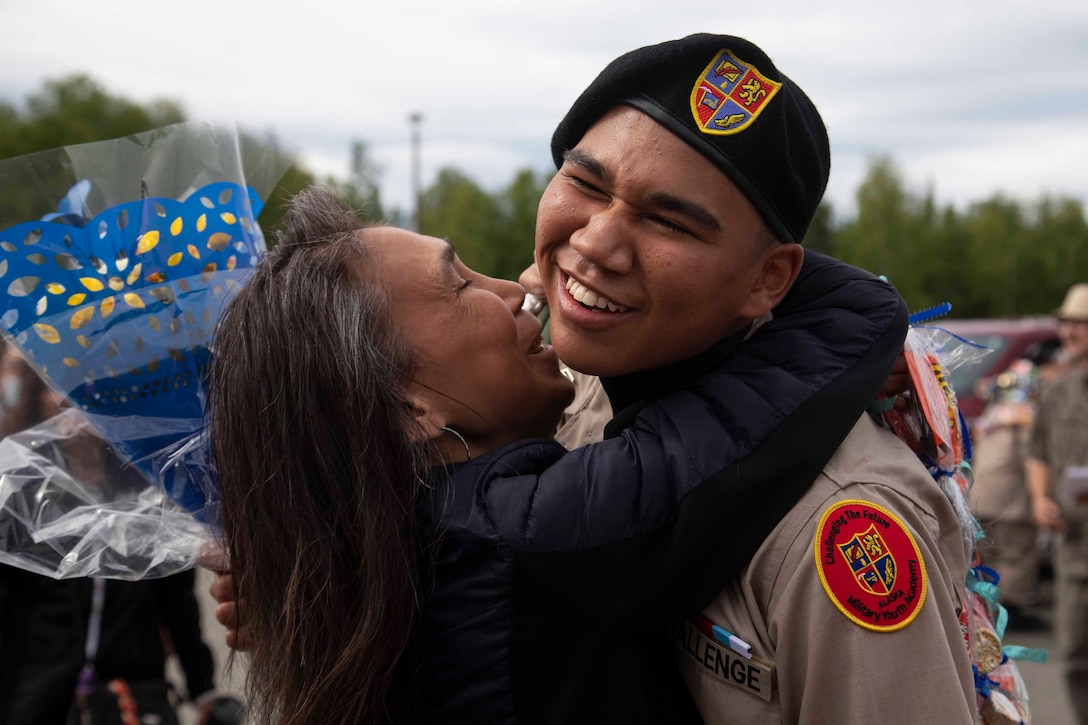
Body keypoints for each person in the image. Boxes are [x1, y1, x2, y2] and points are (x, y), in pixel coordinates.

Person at [208, 180, 906, 724]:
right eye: (460, 285)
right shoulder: (531, 530)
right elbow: (743, 408)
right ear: (409, 412)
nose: (516, 288)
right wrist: (733, 259)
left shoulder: (385, 545)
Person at [0, 344, 220, 725]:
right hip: (40, 694)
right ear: (40, 394)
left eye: (86, 390)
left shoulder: (144, 486)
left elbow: (176, 597)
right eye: (59, 388)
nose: (71, 406)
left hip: (133, 695)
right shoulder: (25, 492)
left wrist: (204, 688)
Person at [1027, 281, 1088, 721]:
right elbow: (1038, 449)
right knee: (1075, 655)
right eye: (1066, 323)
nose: (1069, 331)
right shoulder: (1057, 389)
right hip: (1074, 547)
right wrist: (1038, 497)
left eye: (1080, 324)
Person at [968, 358, 1049, 631]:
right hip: (1012, 501)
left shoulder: (992, 418)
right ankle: (1011, 609)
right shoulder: (1027, 420)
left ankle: (990, 608)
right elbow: (1033, 459)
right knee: (1018, 555)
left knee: (991, 554)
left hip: (980, 498)